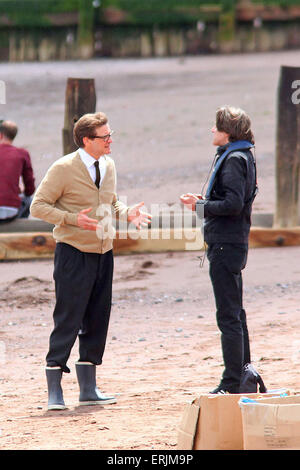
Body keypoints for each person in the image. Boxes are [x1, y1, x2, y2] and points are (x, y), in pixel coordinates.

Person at [30, 111, 151, 410]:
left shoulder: (109, 164)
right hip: (72, 252)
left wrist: (127, 214)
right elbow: (37, 206)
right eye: (105, 136)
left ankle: (88, 389)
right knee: (68, 318)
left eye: (111, 134)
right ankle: (54, 393)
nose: (111, 140)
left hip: (104, 253)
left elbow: (111, 202)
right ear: (87, 140)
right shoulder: (63, 168)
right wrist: (72, 219)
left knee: (98, 318)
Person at [180, 105, 257, 394]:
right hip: (232, 242)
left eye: (216, 126)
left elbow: (234, 205)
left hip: (227, 244)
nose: (212, 130)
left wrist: (198, 206)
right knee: (236, 312)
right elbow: (231, 199)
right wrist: (204, 200)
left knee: (228, 315)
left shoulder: (234, 159)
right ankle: (244, 374)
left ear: (228, 132)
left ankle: (232, 382)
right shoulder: (241, 154)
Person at [0, 120, 35, 222]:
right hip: (11, 212)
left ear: (0, 135)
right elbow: (30, 189)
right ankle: (18, 229)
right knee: (28, 200)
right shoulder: (22, 154)